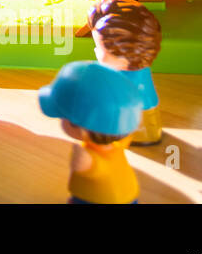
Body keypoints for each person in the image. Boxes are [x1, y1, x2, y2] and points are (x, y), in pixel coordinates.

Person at [39, 60, 143, 204]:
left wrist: (85, 162)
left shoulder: (89, 157)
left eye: (63, 117)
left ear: (80, 127)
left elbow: (95, 168)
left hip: (98, 200)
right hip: (127, 194)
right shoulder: (117, 143)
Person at [87, 0, 162, 145]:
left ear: (124, 53)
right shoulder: (135, 70)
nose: (96, 52)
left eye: (101, 49)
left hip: (137, 123)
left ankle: (137, 138)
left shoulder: (126, 79)